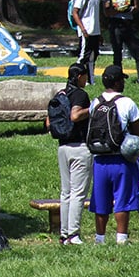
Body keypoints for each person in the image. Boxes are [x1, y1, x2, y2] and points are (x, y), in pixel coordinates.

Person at [88, 64, 139, 244]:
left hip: (99, 159)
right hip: (121, 159)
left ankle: (100, 238)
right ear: (118, 82)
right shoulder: (127, 103)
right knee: (122, 199)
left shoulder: (95, 103)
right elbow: (136, 133)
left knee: (100, 200)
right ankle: (121, 237)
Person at [51, 63, 92, 245]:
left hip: (62, 147)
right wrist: (92, 109)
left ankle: (64, 234)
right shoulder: (80, 94)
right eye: (86, 76)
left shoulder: (60, 94)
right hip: (79, 148)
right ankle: (73, 234)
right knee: (78, 193)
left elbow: (49, 122)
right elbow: (75, 116)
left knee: (65, 192)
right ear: (80, 76)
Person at [71, 0, 102, 84]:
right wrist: (83, 29)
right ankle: (74, 77)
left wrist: (100, 32)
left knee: (93, 56)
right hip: (86, 30)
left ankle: (90, 80)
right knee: (83, 56)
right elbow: (75, 12)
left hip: (95, 31)